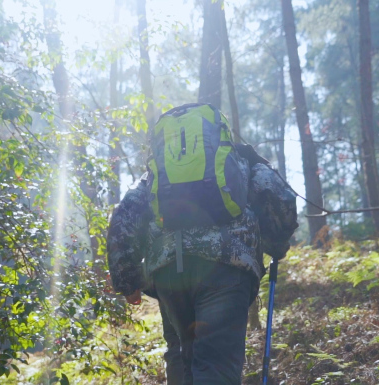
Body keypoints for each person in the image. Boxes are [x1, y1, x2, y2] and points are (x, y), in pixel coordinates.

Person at [107, 104, 298, 385]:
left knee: (180, 357)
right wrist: (277, 245)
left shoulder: (154, 177)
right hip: (227, 269)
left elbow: (123, 219)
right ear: (217, 134)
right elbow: (280, 199)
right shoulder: (241, 162)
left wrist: (127, 282)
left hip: (170, 274)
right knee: (215, 363)